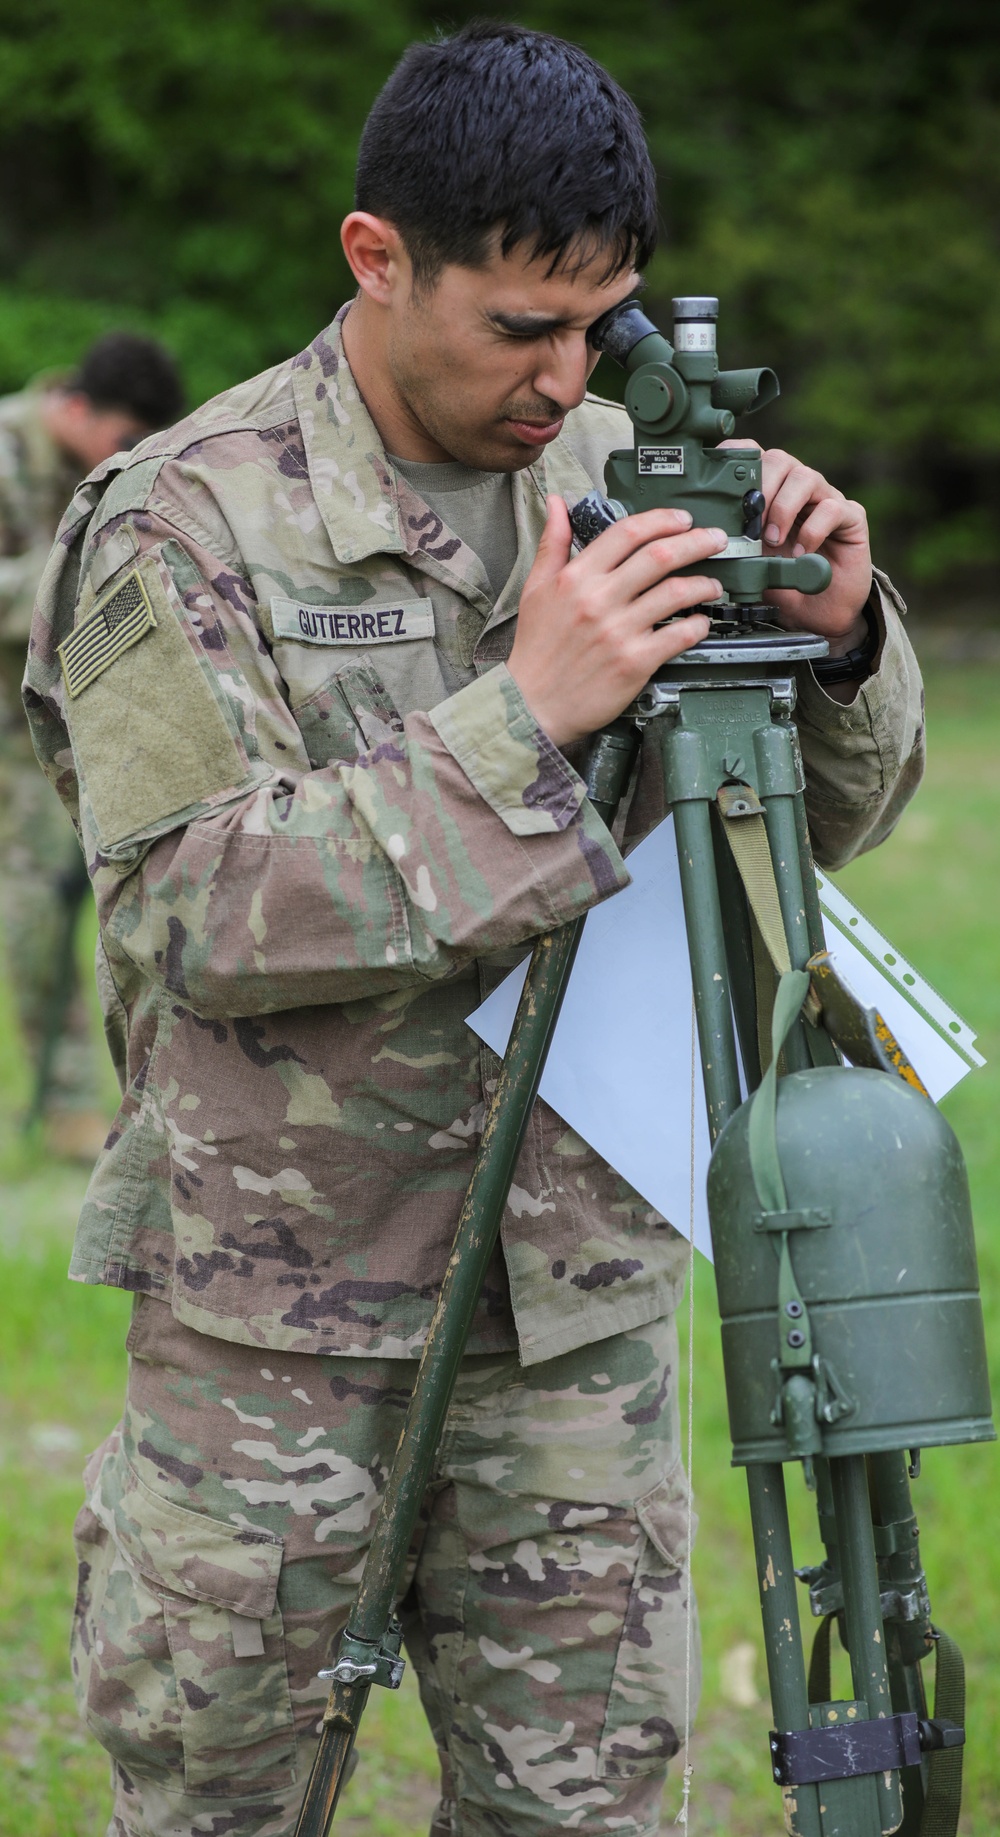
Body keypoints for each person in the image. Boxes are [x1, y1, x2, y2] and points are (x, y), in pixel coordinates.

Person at [24, 24, 924, 1837]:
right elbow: (196, 902)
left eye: (602, 321)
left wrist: (836, 640)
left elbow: (797, 831)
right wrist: (527, 713)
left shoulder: (625, 468)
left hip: (575, 1317)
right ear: (377, 259)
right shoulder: (181, 523)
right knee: (220, 1804)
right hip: (283, 1330)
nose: (567, 375)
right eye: (521, 326)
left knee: (588, 1812)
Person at [0, 332, 183, 1157]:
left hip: (51, 726)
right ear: (76, 409)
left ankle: (81, 1101)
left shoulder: (107, 467)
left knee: (82, 900)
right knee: (35, 907)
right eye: (120, 441)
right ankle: (72, 1102)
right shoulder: (7, 451)